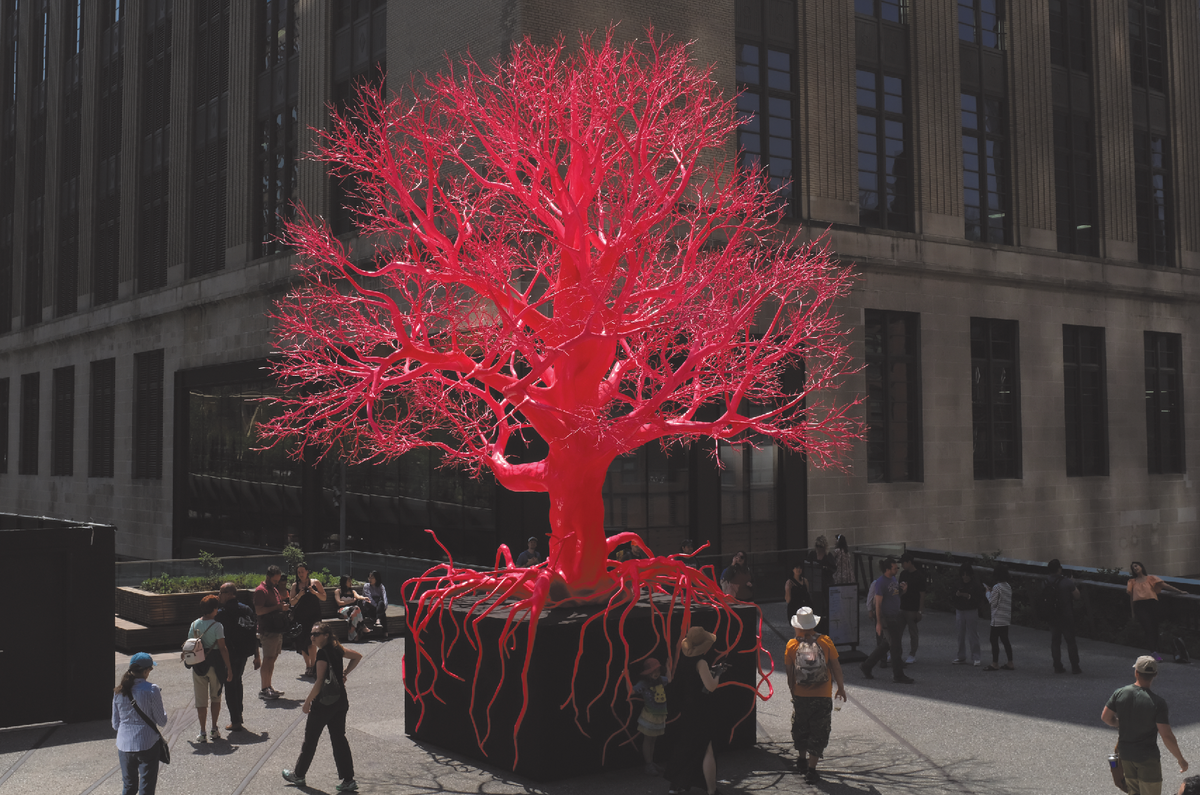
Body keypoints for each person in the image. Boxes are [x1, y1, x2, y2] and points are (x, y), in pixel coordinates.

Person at [283, 621, 364, 792]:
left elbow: (319, 681)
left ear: (326, 635)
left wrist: (307, 701)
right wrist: (344, 674)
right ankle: (348, 779)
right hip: (340, 700)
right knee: (339, 739)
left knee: (311, 739)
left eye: (316, 634)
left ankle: (298, 775)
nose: (312, 637)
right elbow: (357, 656)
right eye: (311, 634)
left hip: (324, 703)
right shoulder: (337, 648)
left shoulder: (322, 654)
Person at [1102, 656, 1189, 795]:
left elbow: (1106, 717)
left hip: (1126, 755)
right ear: (1155, 675)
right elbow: (1166, 735)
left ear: (1136, 672)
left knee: (1133, 791)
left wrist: (1120, 723)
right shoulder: (1158, 703)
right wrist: (1181, 759)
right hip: (1148, 759)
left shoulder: (1120, 693)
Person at [785, 607, 846, 785]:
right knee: (819, 730)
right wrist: (840, 688)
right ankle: (812, 771)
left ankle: (801, 760)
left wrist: (793, 691)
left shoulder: (791, 645)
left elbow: (790, 673)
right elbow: (836, 666)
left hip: (801, 695)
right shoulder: (825, 641)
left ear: (797, 626)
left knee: (801, 726)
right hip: (822, 695)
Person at [666, 626, 727, 795]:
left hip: (687, 708)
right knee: (707, 748)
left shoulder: (684, 658)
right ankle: (711, 789)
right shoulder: (701, 662)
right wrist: (718, 674)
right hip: (701, 709)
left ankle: (676, 784)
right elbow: (711, 686)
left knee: (687, 745)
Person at [113, 652, 168, 795]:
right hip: (147, 743)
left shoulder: (118, 691)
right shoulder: (152, 689)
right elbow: (162, 721)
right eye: (150, 669)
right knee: (146, 788)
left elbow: (115, 724)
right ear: (145, 671)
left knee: (128, 786)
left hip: (124, 745)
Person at [860, 557, 914, 684]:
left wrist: (903, 591)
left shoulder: (893, 579)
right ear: (888, 569)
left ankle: (867, 665)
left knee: (886, 644)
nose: (897, 570)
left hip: (894, 615)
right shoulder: (880, 583)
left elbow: (894, 595)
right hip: (886, 617)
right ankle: (898, 674)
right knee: (895, 645)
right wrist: (878, 622)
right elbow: (878, 604)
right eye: (895, 568)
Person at [216, 582, 261, 732]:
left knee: (230, 684)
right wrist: (256, 655)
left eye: (221, 592)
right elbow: (253, 633)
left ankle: (235, 720)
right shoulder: (246, 609)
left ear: (229, 594)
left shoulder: (222, 613)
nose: (219, 595)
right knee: (237, 681)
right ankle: (238, 715)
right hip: (244, 653)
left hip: (230, 654)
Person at [189, 594, 233, 742]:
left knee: (201, 700)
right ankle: (214, 728)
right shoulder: (217, 626)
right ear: (214, 609)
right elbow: (223, 648)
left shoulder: (194, 624)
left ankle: (202, 732)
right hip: (215, 665)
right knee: (216, 697)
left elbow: (189, 644)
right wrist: (229, 668)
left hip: (198, 664)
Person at [1128, 561, 1185, 661]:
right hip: (1140, 606)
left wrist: (1179, 591)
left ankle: (1155, 650)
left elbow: (1165, 585)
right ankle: (1153, 652)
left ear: (1141, 566)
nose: (1135, 568)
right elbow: (1132, 598)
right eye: (1133, 568)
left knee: (1154, 628)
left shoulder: (1151, 578)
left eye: (1136, 566)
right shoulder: (1132, 581)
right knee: (1148, 628)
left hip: (1152, 604)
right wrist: (1132, 612)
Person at [254, 564, 290, 700]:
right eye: (275, 580)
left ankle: (269, 686)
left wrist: (283, 606)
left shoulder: (273, 589)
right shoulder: (261, 591)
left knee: (272, 658)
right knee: (268, 659)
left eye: (278, 580)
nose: (276, 583)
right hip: (268, 629)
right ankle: (264, 689)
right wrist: (278, 607)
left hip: (276, 629)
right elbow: (259, 611)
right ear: (268, 577)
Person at [631, 657, 669, 775]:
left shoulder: (661, 680)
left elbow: (669, 679)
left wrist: (668, 666)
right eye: (653, 671)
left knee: (653, 740)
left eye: (657, 670)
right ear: (648, 672)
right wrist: (626, 676)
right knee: (648, 740)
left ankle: (651, 762)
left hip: (659, 716)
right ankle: (648, 764)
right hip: (650, 716)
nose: (656, 673)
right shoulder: (644, 683)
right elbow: (631, 692)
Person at [1045, 558, 1082, 674]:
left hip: (1052, 615)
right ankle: (1075, 666)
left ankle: (1057, 665)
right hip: (1066, 615)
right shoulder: (1066, 582)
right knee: (1070, 641)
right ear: (1059, 569)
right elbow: (1077, 596)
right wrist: (1073, 583)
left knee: (1055, 641)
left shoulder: (1045, 582)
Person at [290, 562, 327, 677]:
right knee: (302, 642)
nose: (301, 574)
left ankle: (314, 664)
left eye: (302, 571)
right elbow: (292, 602)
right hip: (301, 617)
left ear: (307, 571)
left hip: (314, 616)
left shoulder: (315, 583)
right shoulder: (295, 586)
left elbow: (324, 597)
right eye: (298, 572)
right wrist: (299, 595)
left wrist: (314, 592)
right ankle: (308, 666)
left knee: (312, 641)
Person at [950, 562, 985, 667]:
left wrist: (969, 596)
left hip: (971, 610)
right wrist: (957, 596)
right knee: (960, 634)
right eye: (963, 574)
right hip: (960, 610)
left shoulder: (975, 585)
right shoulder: (958, 584)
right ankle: (961, 656)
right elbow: (952, 597)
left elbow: (979, 599)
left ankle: (976, 657)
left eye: (967, 574)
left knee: (972, 634)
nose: (965, 577)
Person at [982, 564, 1014, 671]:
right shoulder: (1008, 586)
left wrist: (988, 593)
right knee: (1005, 640)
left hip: (997, 619)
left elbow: (993, 603)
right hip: (1005, 617)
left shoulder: (997, 587)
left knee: (994, 640)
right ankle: (1010, 662)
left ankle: (995, 663)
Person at [898, 553, 926, 664]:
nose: (902, 565)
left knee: (913, 632)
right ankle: (896, 652)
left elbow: (922, 594)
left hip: (913, 608)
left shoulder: (919, 576)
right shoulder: (903, 574)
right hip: (902, 606)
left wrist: (920, 610)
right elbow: (899, 590)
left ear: (909, 562)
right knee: (897, 632)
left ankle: (912, 653)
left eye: (903, 563)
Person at [334, 575, 370, 641]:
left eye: (351, 581)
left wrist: (364, 598)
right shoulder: (338, 591)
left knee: (354, 614)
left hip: (353, 612)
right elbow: (339, 603)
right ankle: (362, 626)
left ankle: (353, 637)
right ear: (344, 582)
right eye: (349, 581)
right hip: (342, 611)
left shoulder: (353, 591)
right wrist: (350, 601)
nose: (351, 583)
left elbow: (358, 596)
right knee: (356, 609)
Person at [362, 570, 388, 635]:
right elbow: (369, 599)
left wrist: (385, 606)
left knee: (381, 603)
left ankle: (378, 620)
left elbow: (384, 596)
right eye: (369, 577)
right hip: (369, 606)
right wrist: (378, 607)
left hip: (377, 606)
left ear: (376, 578)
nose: (370, 579)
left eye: (372, 578)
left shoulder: (381, 586)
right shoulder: (366, 586)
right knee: (382, 612)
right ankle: (385, 630)